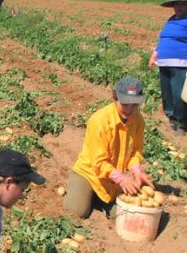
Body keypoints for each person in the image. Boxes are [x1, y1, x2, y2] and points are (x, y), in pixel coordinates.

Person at [64, 77, 155, 219]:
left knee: (122, 216)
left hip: (111, 180)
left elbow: (135, 151)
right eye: (125, 104)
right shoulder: (99, 121)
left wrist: (136, 170)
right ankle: (82, 189)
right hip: (89, 174)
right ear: (114, 98)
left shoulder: (138, 121)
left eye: (134, 105)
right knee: (77, 212)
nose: (129, 110)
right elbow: (98, 163)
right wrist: (122, 179)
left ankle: (96, 199)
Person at [148, 0, 187, 135]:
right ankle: (172, 118)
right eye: (177, 4)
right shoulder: (172, 20)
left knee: (179, 93)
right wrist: (155, 55)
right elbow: (164, 39)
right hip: (164, 62)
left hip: (181, 62)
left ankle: (181, 122)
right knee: (167, 92)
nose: (179, 7)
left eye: (182, 4)